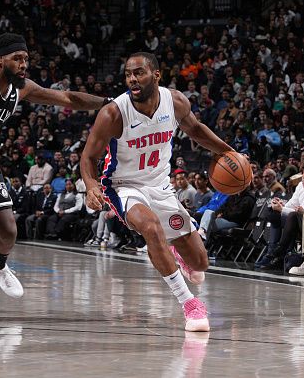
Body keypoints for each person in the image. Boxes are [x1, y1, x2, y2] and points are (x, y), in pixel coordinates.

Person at [0, 33, 111, 312]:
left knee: (9, 229)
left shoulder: (21, 88)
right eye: (17, 59)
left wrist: (108, 102)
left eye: (26, 59)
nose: (24, 64)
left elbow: (67, 97)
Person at [81, 52, 235, 332]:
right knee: (151, 228)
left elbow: (197, 130)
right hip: (123, 186)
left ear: (156, 75)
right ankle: (190, 305)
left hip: (161, 186)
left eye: (138, 73)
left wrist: (229, 152)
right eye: (128, 74)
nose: (132, 79)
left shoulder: (174, 101)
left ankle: (175, 251)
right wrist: (91, 186)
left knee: (200, 265)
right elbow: (88, 157)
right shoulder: (114, 112)